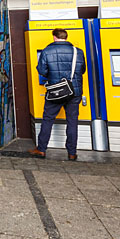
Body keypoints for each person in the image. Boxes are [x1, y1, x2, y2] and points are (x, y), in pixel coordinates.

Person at [30, 28, 86, 161]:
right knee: (72, 121)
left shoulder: (47, 51)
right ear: (66, 37)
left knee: (48, 119)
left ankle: (41, 149)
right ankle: (72, 152)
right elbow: (82, 70)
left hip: (56, 91)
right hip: (74, 91)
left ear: (54, 37)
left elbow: (42, 71)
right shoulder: (78, 51)